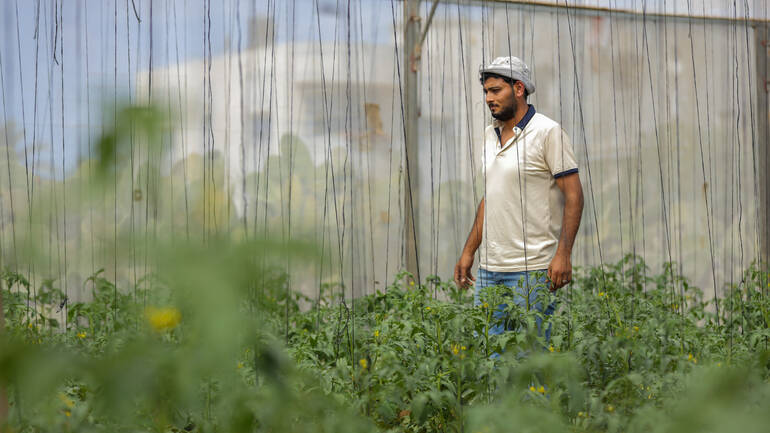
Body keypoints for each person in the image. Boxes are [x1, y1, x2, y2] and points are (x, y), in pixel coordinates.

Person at [453, 56, 584, 339]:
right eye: (486, 91)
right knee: (489, 361)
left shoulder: (548, 132)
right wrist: (469, 251)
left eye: (496, 90)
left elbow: (574, 196)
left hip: (532, 271)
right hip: (490, 272)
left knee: (529, 362)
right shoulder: (490, 135)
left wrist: (563, 254)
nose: (488, 98)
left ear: (519, 89)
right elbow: (491, 197)